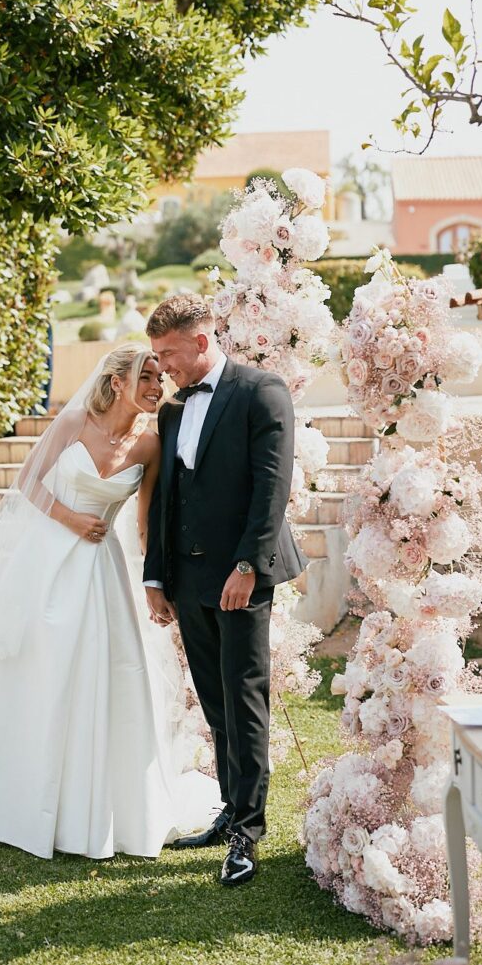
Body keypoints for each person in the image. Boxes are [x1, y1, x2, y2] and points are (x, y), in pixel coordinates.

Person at [0, 345, 219, 859]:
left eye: (158, 379)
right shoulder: (75, 419)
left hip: (104, 572)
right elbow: (28, 481)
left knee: (108, 673)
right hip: (48, 562)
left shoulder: (150, 446)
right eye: (145, 377)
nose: (155, 386)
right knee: (36, 670)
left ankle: (93, 806)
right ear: (117, 381)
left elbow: (145, 523)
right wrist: (71, 519)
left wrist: (157, 582)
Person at [142, 293, 307, 887]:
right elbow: (167, 499)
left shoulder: (261, 391)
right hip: (187, 582)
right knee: (214, 704)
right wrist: (156, 576)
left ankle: (247, 835)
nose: (163, 367)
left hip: (242, 577)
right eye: (158, 356)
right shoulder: (171, 409)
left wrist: (247, 566)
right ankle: (229, 811)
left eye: (169, 354)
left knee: (244, 701)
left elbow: (272, 488)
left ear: (202, 341)